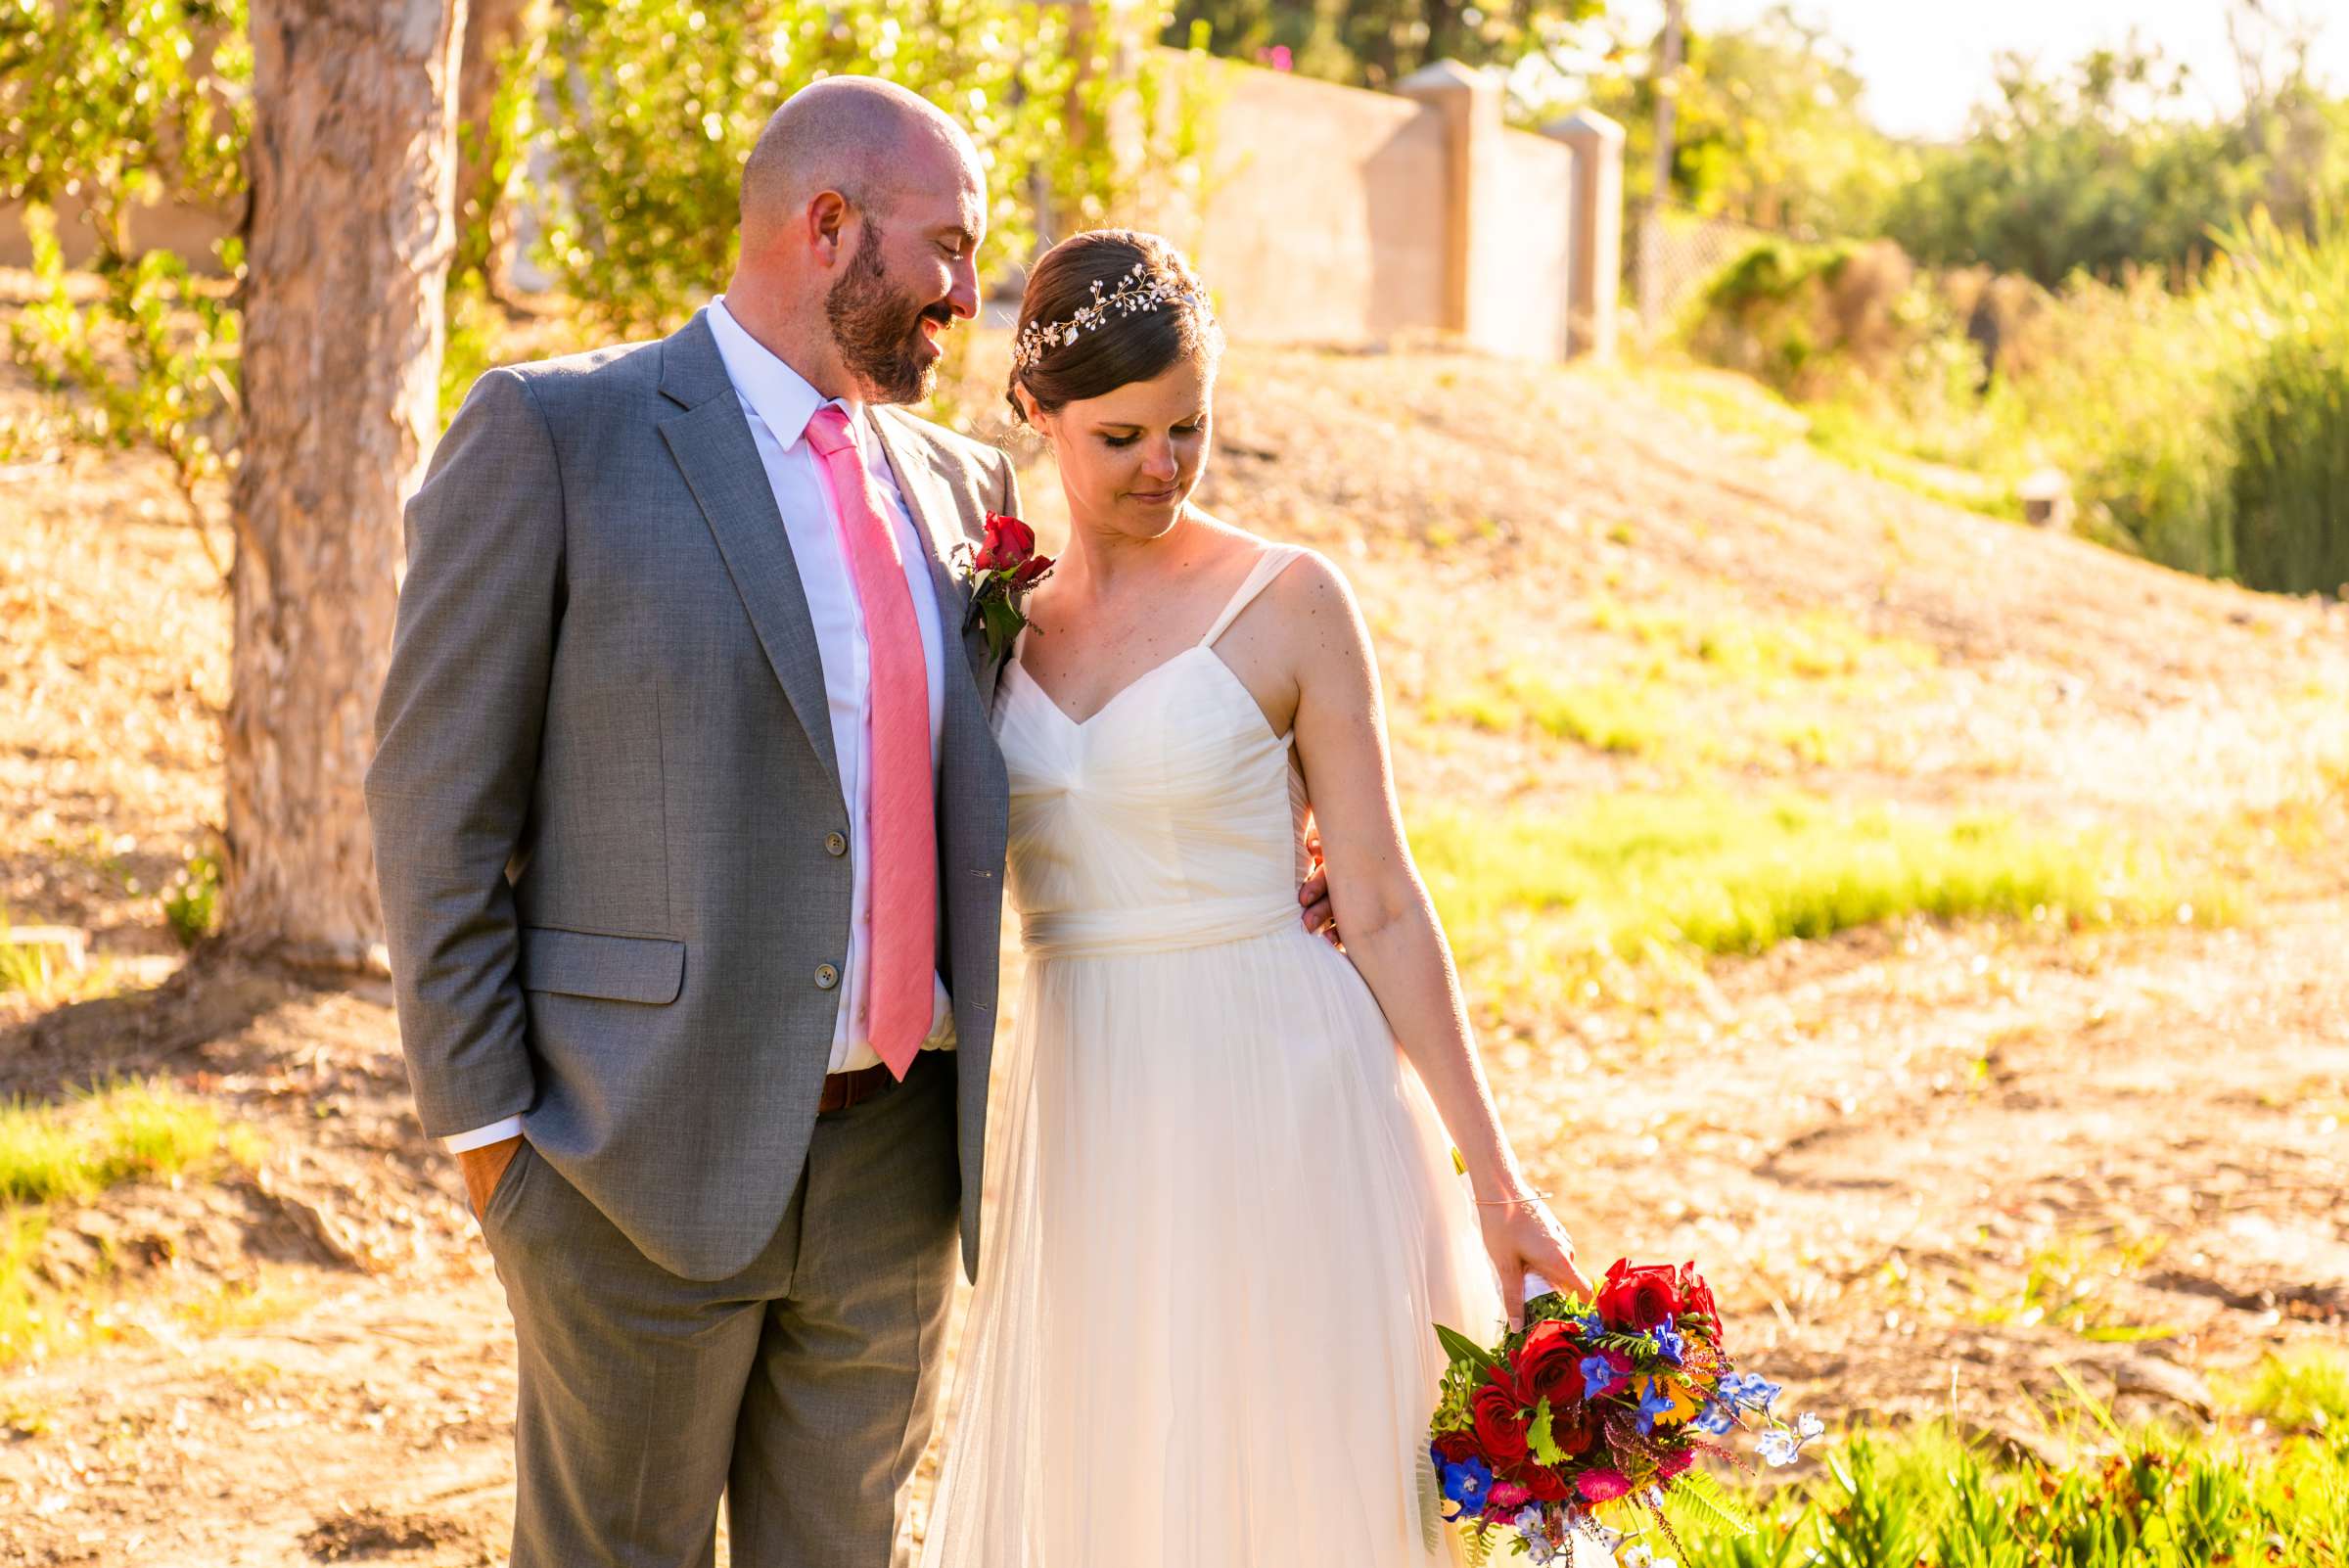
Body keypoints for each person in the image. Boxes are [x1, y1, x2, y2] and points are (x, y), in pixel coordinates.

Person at [366, 79, 1347, 1568]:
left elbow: (1064, 742)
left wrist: (1278, 836)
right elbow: (434, 803)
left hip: (895, 1175)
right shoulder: (559, 433)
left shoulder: (961, 490)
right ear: (828, 228)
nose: (971, 291)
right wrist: (493, 1138)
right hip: (631, 1161)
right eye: (948, 249)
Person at [918, 228, 1591, 1568]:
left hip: (1286, 1090)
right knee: (1117, 1465)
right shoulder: (990, 616)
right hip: (1089, 1101)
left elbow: (1385, 903)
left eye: (1190, 427)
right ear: (1036, 417)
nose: (1163, 466)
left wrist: (1500, 1179)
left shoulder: (1290, 604)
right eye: (1122, 438)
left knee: (1289, 1467)